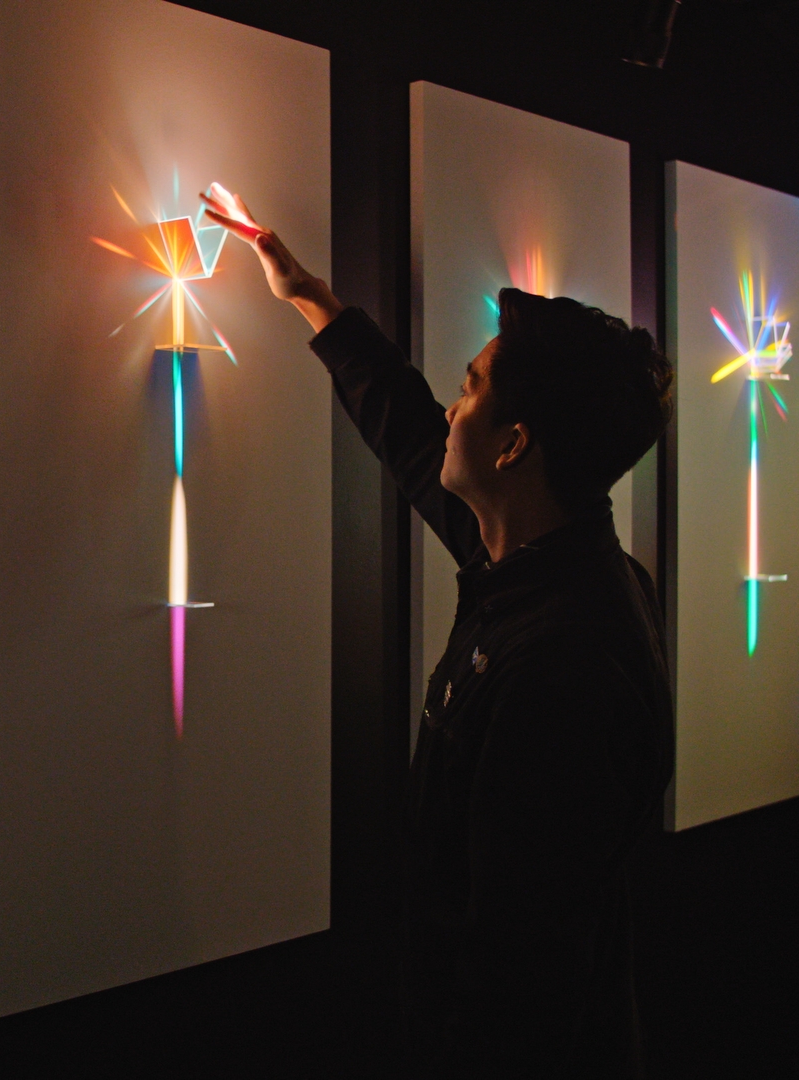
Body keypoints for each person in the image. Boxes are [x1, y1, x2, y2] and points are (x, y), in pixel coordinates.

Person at [204, 191, 676, 1078]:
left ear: (514, 446)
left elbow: (519, 976)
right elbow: (416, 441)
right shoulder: (541, 556)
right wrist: (310, 297)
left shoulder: (561, 667)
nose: (451, 410)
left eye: (469, 388)